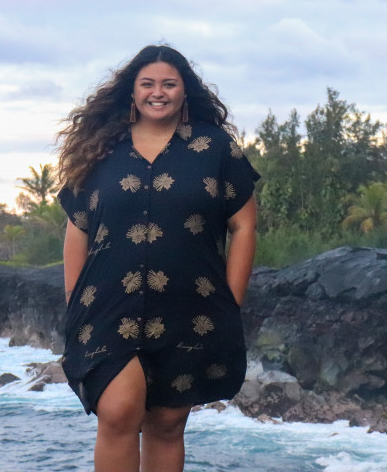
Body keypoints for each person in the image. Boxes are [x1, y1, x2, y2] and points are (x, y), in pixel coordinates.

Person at [56, 44, 259, 472]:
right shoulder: (100, 151)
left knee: (167, 423)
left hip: (190, 305)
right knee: (117, 411)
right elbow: (77, 229)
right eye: (147, 84)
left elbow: (243, 226)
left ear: (185, 92)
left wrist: (230, 302)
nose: (158, 92)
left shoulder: (216, 148)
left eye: (169, 84)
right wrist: (75, 304)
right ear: (132, 92)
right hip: (107, 306)